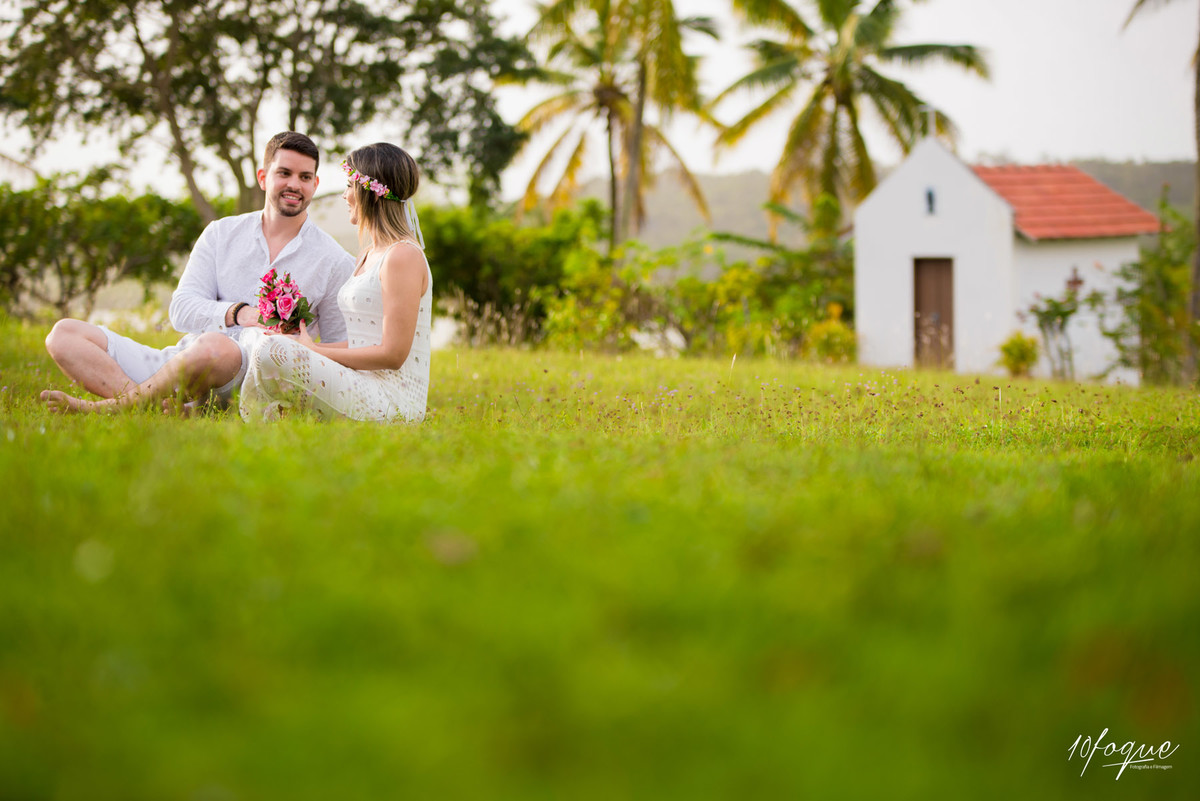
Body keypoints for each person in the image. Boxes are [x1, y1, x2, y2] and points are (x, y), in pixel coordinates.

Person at [40, 131, 355, 413]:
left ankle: (116, 408)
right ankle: (157, 407)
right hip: (184, 362)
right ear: (262, 177)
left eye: (304, 177)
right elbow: (181, 309)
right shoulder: (221, 233)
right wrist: (239, 313)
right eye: (284, 173)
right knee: (63, 334)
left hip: (256, 381)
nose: (294, 185)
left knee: (217, 348)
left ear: (315, 184)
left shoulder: (334, 261)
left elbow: (340, 346)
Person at [238, 142, 431, 423]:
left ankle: (272, 419)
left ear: (371, 194)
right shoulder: (367, 254)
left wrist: (314, 351)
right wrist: (304, 345)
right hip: (358, 380)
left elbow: (393, 354)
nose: (345, 195)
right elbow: (360, 342)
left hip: (391, 400)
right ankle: (281, 419)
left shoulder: (403, 256)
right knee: (259, 338)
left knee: (273, 351)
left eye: (350, 185)